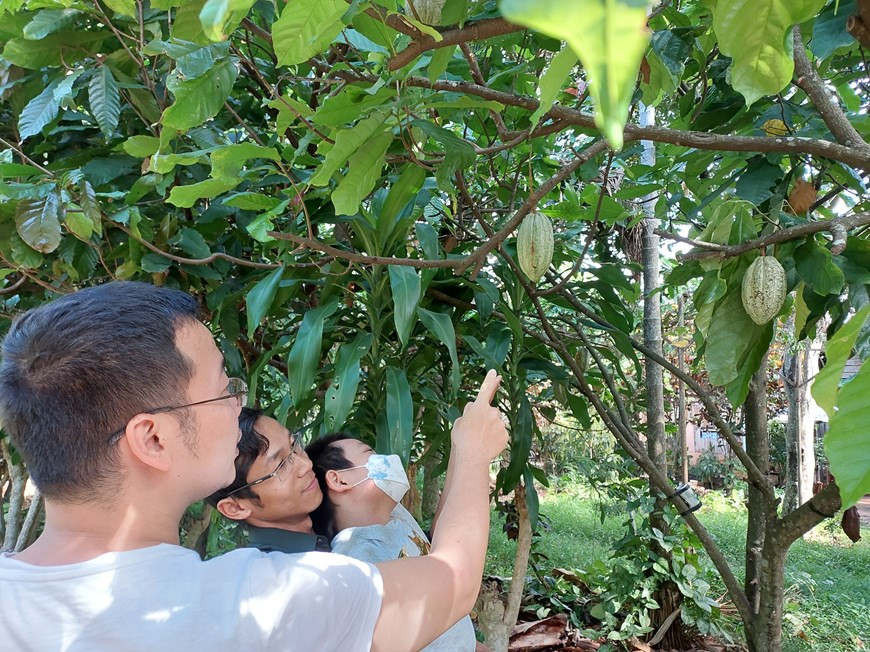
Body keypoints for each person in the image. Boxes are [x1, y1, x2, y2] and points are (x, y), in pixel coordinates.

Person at [0, 281, 508, 652]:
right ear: (153, 438)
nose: (236, 402)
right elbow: (453, 580)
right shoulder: (269, 605)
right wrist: (472, 453)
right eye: (223, 388)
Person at [307, 433, 477, 651]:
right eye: (371, 454)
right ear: (340, 480)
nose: (387, 458)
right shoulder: (356, 563)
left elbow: (445, 526)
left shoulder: (395, 514)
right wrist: (475, 456)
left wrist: (461, 447)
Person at [207, 406, 332, 554]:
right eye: (281, 465)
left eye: (294, 445)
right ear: (236, 508)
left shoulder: (334, 523)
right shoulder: (277, 573)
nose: (306, 464)